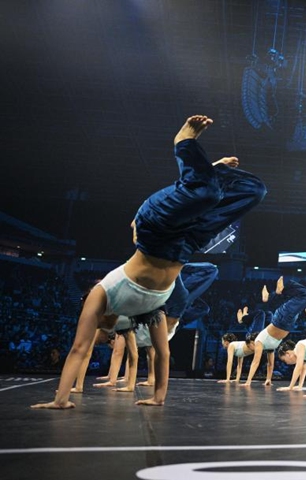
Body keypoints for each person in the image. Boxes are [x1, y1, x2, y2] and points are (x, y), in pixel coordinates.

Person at [32, 115, 266, 409]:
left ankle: (183, 144)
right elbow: (162, 352)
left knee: (204, 193)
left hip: (152, 231)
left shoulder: (100, 295)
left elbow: (79, 349)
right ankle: (211, 171)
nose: (105, 334)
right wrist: (158, 397)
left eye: (103, 332)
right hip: (186, 245)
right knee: (254, 192)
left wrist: (59, 400)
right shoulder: (147, 311)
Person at [242, 277, 306, 387]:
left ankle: (279, 292)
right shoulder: (270, 348)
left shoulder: (259, 342)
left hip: (281, 320)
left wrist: (248, 381)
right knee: (299, 298)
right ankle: (271, 296)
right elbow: (270, 365)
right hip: (288, 322)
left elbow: (255, 362)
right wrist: (268, 379)